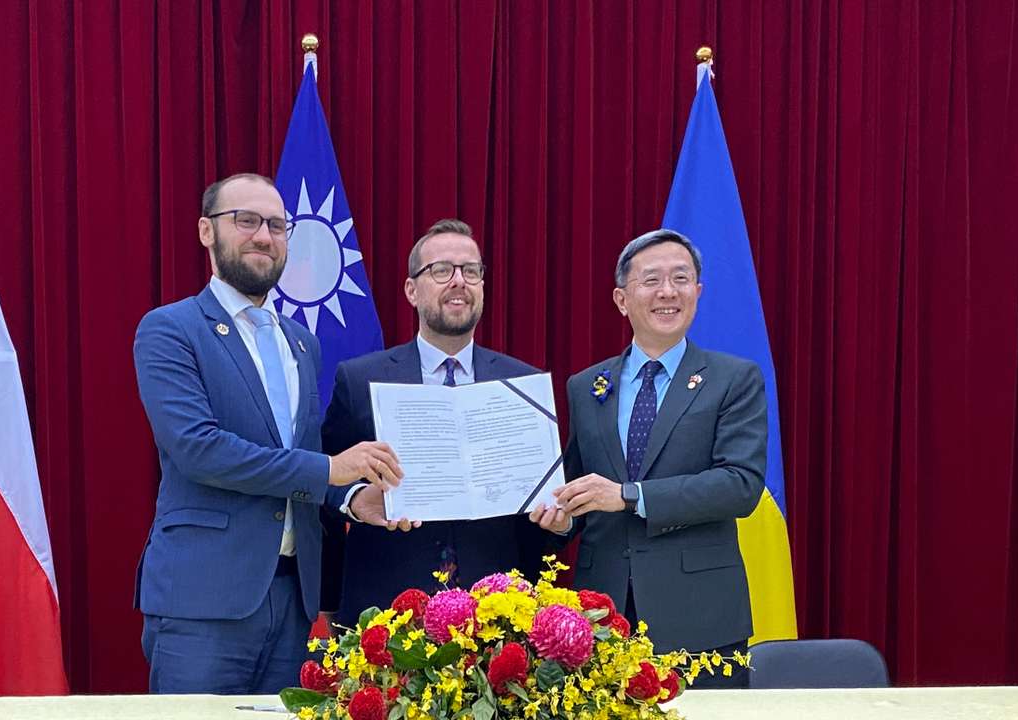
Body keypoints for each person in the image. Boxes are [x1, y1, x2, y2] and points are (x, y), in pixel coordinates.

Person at [132, 173, 403, 694]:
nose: (265, 236)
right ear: (206, 232)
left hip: (294, 600)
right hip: (204, 601)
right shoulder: (170, 329)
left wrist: (350, 500)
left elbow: (302, 459)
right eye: (247, 221)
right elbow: (198, 449)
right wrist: (329, 469)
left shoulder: (301, 344)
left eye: (278, 225)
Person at [531, 228, 766, 689]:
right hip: (602, 616)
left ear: (698, 292)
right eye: (652, 280)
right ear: (622, 299)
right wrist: (562, 518)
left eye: (681, 279)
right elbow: (582, 487)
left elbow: (741, 485)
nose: (667, 292)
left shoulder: (733, 379)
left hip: (701, 618)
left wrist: (629, 495)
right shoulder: (587, 386)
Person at [323, 218, 553, 628]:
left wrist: (555, 512)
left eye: (471, 271)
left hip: (498, 614)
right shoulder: (359, 380)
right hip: (387, 608)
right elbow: (321, 478)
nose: (459, 282)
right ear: (412, 290)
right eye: (442, 271)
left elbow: (542, 508)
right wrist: (357, 500)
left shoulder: (523, 384)